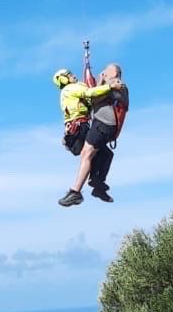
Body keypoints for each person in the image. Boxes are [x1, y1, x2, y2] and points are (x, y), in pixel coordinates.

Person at [54, 61, 127, 207]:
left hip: (95, 125)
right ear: (63, 79)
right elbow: (90, 93)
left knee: (92, 154)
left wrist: (104, 84)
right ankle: (93, 185)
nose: (73, 75)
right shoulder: (71, 88)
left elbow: (93, 96)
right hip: (84, 126)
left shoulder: (118, 86)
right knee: (98, 154)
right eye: (69, 75)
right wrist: (105, 84)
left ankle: (82, 189)